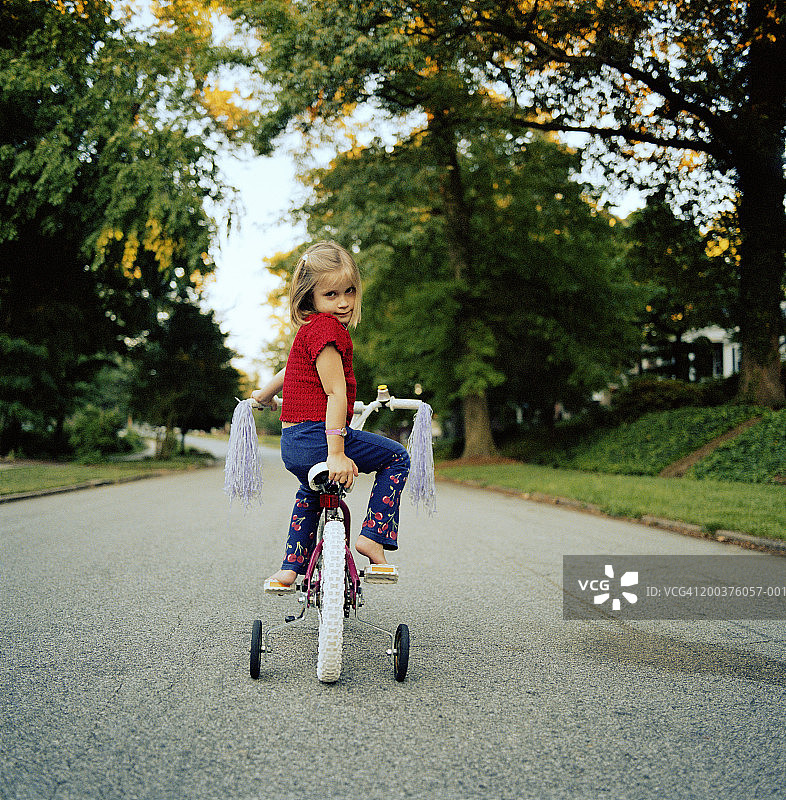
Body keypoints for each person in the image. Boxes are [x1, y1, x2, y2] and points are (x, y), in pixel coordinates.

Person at [252, 241, 410, 588]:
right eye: (331, 294)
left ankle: (291, 568)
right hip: (317, 438)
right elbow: (336, 393)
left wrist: (263, 396)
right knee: (397, 457)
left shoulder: (307, 330)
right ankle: (373, 537)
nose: (343, 302)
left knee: (310, 490)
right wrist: (336, 451)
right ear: (309, 298)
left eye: (350, 291)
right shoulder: (327, 330)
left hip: (294, 444)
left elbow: (289, 371)